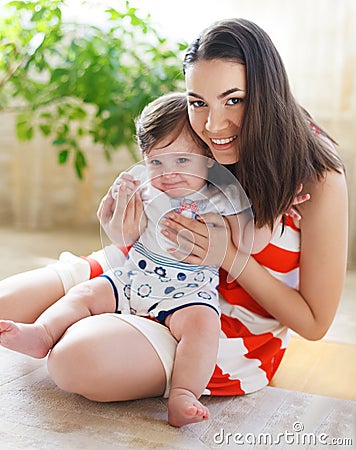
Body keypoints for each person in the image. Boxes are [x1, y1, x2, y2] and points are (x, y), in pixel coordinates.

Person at [0, 18, 347, 426]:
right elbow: (159, 196)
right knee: (8, 307)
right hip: (142, 267)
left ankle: (124, 337)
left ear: (267, 94)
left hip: (214, 321)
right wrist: (122, 228)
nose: (214, 125)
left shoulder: (315, 176)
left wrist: (227, 254)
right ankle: (108, 318)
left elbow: (314, 322)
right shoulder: (195, 130)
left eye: (234, 100)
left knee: (73, 360)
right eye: (198, 101)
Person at [0, 93, 272, 426]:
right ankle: (43, 332)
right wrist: (117, 207)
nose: (168, 173)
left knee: (204, 328)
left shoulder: (222, 195)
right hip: (132, 279)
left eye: (182, 161)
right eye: (156, 162)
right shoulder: (146, 187)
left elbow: (253, 242)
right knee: (85, 295)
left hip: (187, 295)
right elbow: (125, 237)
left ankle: (184, 393)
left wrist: (273, 205)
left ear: (208, 158)